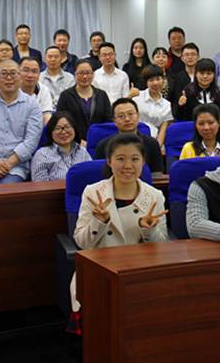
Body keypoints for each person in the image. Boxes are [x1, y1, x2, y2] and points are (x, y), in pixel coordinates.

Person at [71, 133, 168, 311]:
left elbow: (161, 248)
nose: (128, 166)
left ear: (143, 162)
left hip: (139, 274)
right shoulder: (93, 193)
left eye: (135, 159)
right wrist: (99, 222)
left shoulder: (154, 196)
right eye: (121, 159)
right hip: (100, 272)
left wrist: (149, 230)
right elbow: (82, 243)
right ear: (109, 161)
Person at [94, 98, 164, 172]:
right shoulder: (104, 145)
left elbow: (157, 174)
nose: (127, 119)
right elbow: (99, 174)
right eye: (121, 116)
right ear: (114, 121)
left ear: (138, 116)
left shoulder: (152, 144)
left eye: (130, 114)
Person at [55, 60, 113, 141]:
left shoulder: (102, 95)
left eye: (88, 73)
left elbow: (108, 122)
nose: (85, 77)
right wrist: (78, 140)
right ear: (75, 75)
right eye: (81, 73)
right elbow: (61, 122)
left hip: (100, 141)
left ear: (93, 75)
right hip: (73, 141)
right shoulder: (66, 96)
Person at [30, 111, 91, 182]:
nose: (64, 132)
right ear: (51, 132)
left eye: (67, 127)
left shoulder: (83, 152)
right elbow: (39, 185)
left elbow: (91, 177)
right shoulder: (42, 155)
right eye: (58, 128)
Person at [175, 58, 220, 122]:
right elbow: (179, 118)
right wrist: (180, 106)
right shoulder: (187, 91)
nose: (205, 76)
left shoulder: (218, 93)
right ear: (196, 74)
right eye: (202, 73)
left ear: (214, 75)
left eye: (209, 73)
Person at [133, 65, 173, 147]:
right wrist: (129, 96)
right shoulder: (137, 97)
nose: (155, 83)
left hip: (154, 142)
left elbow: (162, 131)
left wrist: (156, 148)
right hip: (135, 140)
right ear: (146, 82)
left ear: (163, 80)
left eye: (158, 79)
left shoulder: (167, 105)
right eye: (151, 80)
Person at [18, 57, 55, 124]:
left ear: (39, 74)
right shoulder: (11, 90)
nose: (30, 75)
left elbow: (46, 115)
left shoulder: (44, 90)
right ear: (18, 72)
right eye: (26, 70)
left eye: (34, 71)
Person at [168, 42, 200, 114]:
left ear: (198, 57)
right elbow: (174, 101)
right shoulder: (176, 79)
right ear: (182, 58)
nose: (190, 57)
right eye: (187, 55)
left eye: (193, 54)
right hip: (183, 114)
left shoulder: (204, 77)